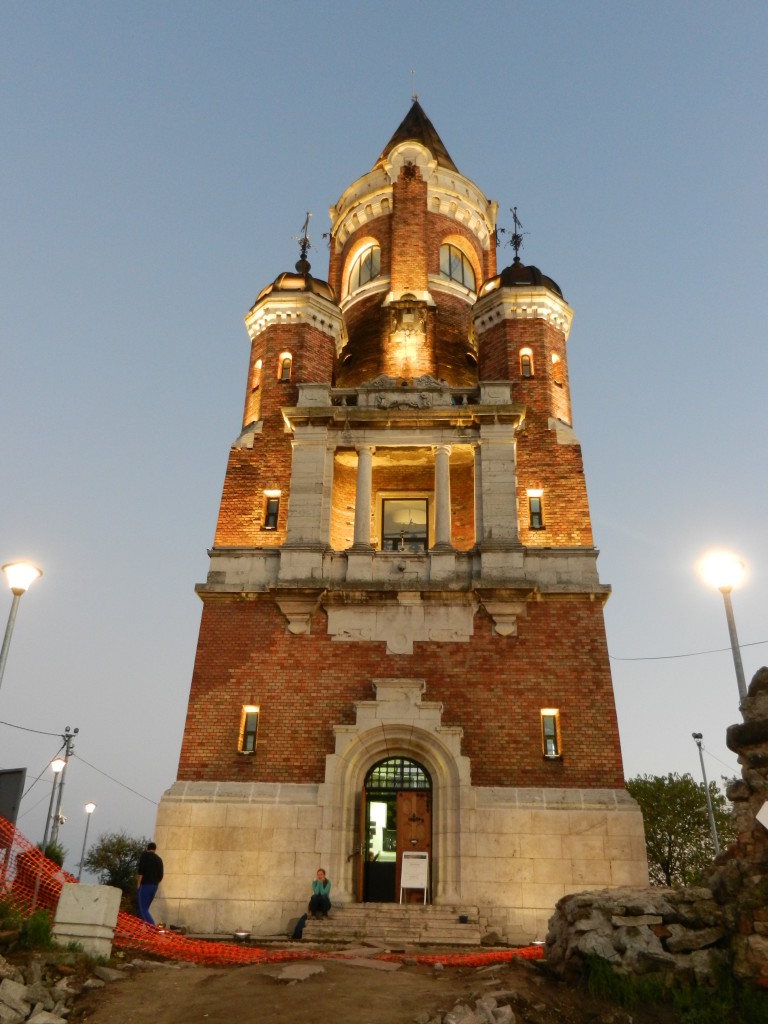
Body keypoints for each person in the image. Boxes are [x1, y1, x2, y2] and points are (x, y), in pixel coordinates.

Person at [136, 841, 164, 925]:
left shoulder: (145, 856)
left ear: (147, 848)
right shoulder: (159, 859)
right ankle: (139, 930)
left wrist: (138, 884)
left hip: (145, 885)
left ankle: (152, 928)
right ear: (155, 849)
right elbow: (161, 875)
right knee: (142, 910)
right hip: (154, 886)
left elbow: (141, 870)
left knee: (142, 909)